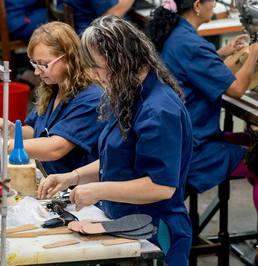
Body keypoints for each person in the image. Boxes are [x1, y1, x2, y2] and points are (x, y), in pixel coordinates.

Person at [145, 0, 258, 244]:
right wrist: (254, 54)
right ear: (197, 5)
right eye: (212, 0)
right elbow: (236, 89)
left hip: (176, 140)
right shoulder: (193, 45)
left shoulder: (172, 34)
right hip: (193, 150)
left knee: (257, 144)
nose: (215, 5)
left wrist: (220, 54)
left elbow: (189, 64)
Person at [38, 15, 193, 265]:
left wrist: (99, 189)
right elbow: (118, 160)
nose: (93, 75)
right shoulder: (129, 93)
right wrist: (73, 177)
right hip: (124, 222)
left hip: (153, 232)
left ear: (119, 59)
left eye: (96, 67)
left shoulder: (159, 111)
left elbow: (161, 186)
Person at [0, 22, 104, 175]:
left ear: (68, 58)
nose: (37, 72)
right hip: (47, 178)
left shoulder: (92, 99)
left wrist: (4, 146)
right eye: (35, 64)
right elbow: (36, 130)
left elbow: (55, 147)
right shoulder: (53, 87)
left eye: (43, 65)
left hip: (75, 189)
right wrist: (13, 131)